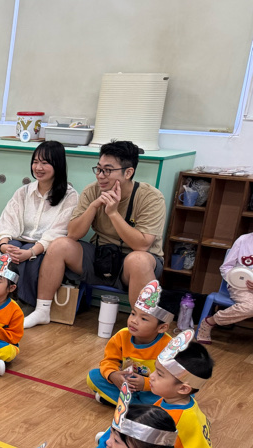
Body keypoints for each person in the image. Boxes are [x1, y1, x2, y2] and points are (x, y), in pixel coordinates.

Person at [25, 140, 165, 329]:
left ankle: (141, 326)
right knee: (59, 245)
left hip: (137, 261)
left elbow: (142, 245)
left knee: (138, 260)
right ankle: (42, 311)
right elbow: (73, 234)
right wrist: (93, 206)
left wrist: (113, 213)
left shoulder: (150, 197)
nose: (100, 176)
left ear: (128, 172)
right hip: (101, 256)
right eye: (98, 169)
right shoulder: (92, 190)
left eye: (108, 170)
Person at [77, 331, 215, 448]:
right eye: (155, 370)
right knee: (120, 425)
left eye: (160, 374)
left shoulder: (177, 418)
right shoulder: (177, 401)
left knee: (122, 442)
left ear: (183, 388)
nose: (152, 377)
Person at [0, 141, 79, 307]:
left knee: (30, 258)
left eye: (45, 163)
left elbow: (58, 232)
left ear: (58, 165)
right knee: (7, 253)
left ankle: (28, 305)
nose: (38, 167)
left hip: (47, 248)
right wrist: (4, 245)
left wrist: (31, 251)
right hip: (20, 241)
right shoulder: (24, 191)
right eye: (35, 162)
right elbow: (8, 220)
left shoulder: (70, 196)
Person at [86, 280, 173, 406]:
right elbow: (109, 361)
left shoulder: (170, 346)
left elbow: (171, 380)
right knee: (93, 376)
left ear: (162, 328)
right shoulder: (122, 336)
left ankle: (127, 405)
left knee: (178, 395)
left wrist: (146, 384)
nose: (134, 321)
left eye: (144, 318)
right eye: (133, 314)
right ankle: (139, 408)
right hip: (127, 384)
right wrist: (113, 375)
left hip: (152, 390)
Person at [196, 232, 253, 344]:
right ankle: (210, 321)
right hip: (241, 287)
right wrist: (236, 280)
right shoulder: (243, 240)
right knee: (250, 307)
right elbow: (226, 267)